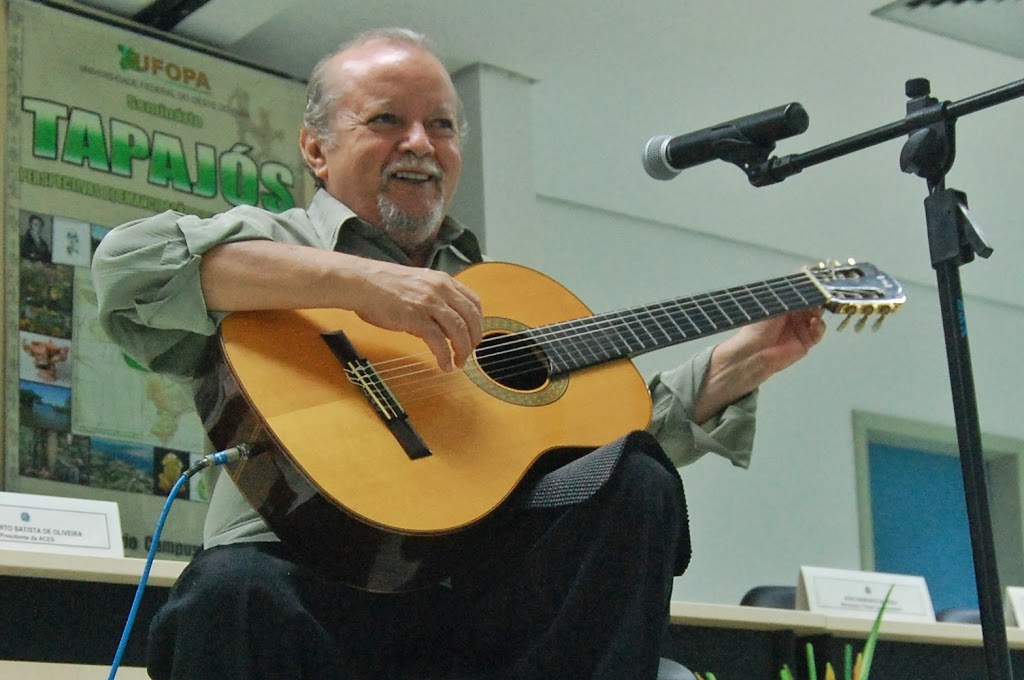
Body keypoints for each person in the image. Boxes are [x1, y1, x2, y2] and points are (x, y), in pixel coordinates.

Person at [92, 28, 824, 680]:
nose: (420, 142)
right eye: (387, 120)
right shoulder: (276, 245)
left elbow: (585, 443)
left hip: (475, 596)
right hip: (298, 585)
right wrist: (362, 282)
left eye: (440, 126)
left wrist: (737, 366)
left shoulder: (497, 294)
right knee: (230, 594)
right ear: (316, 148)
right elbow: (128, 269)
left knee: (636, 479)